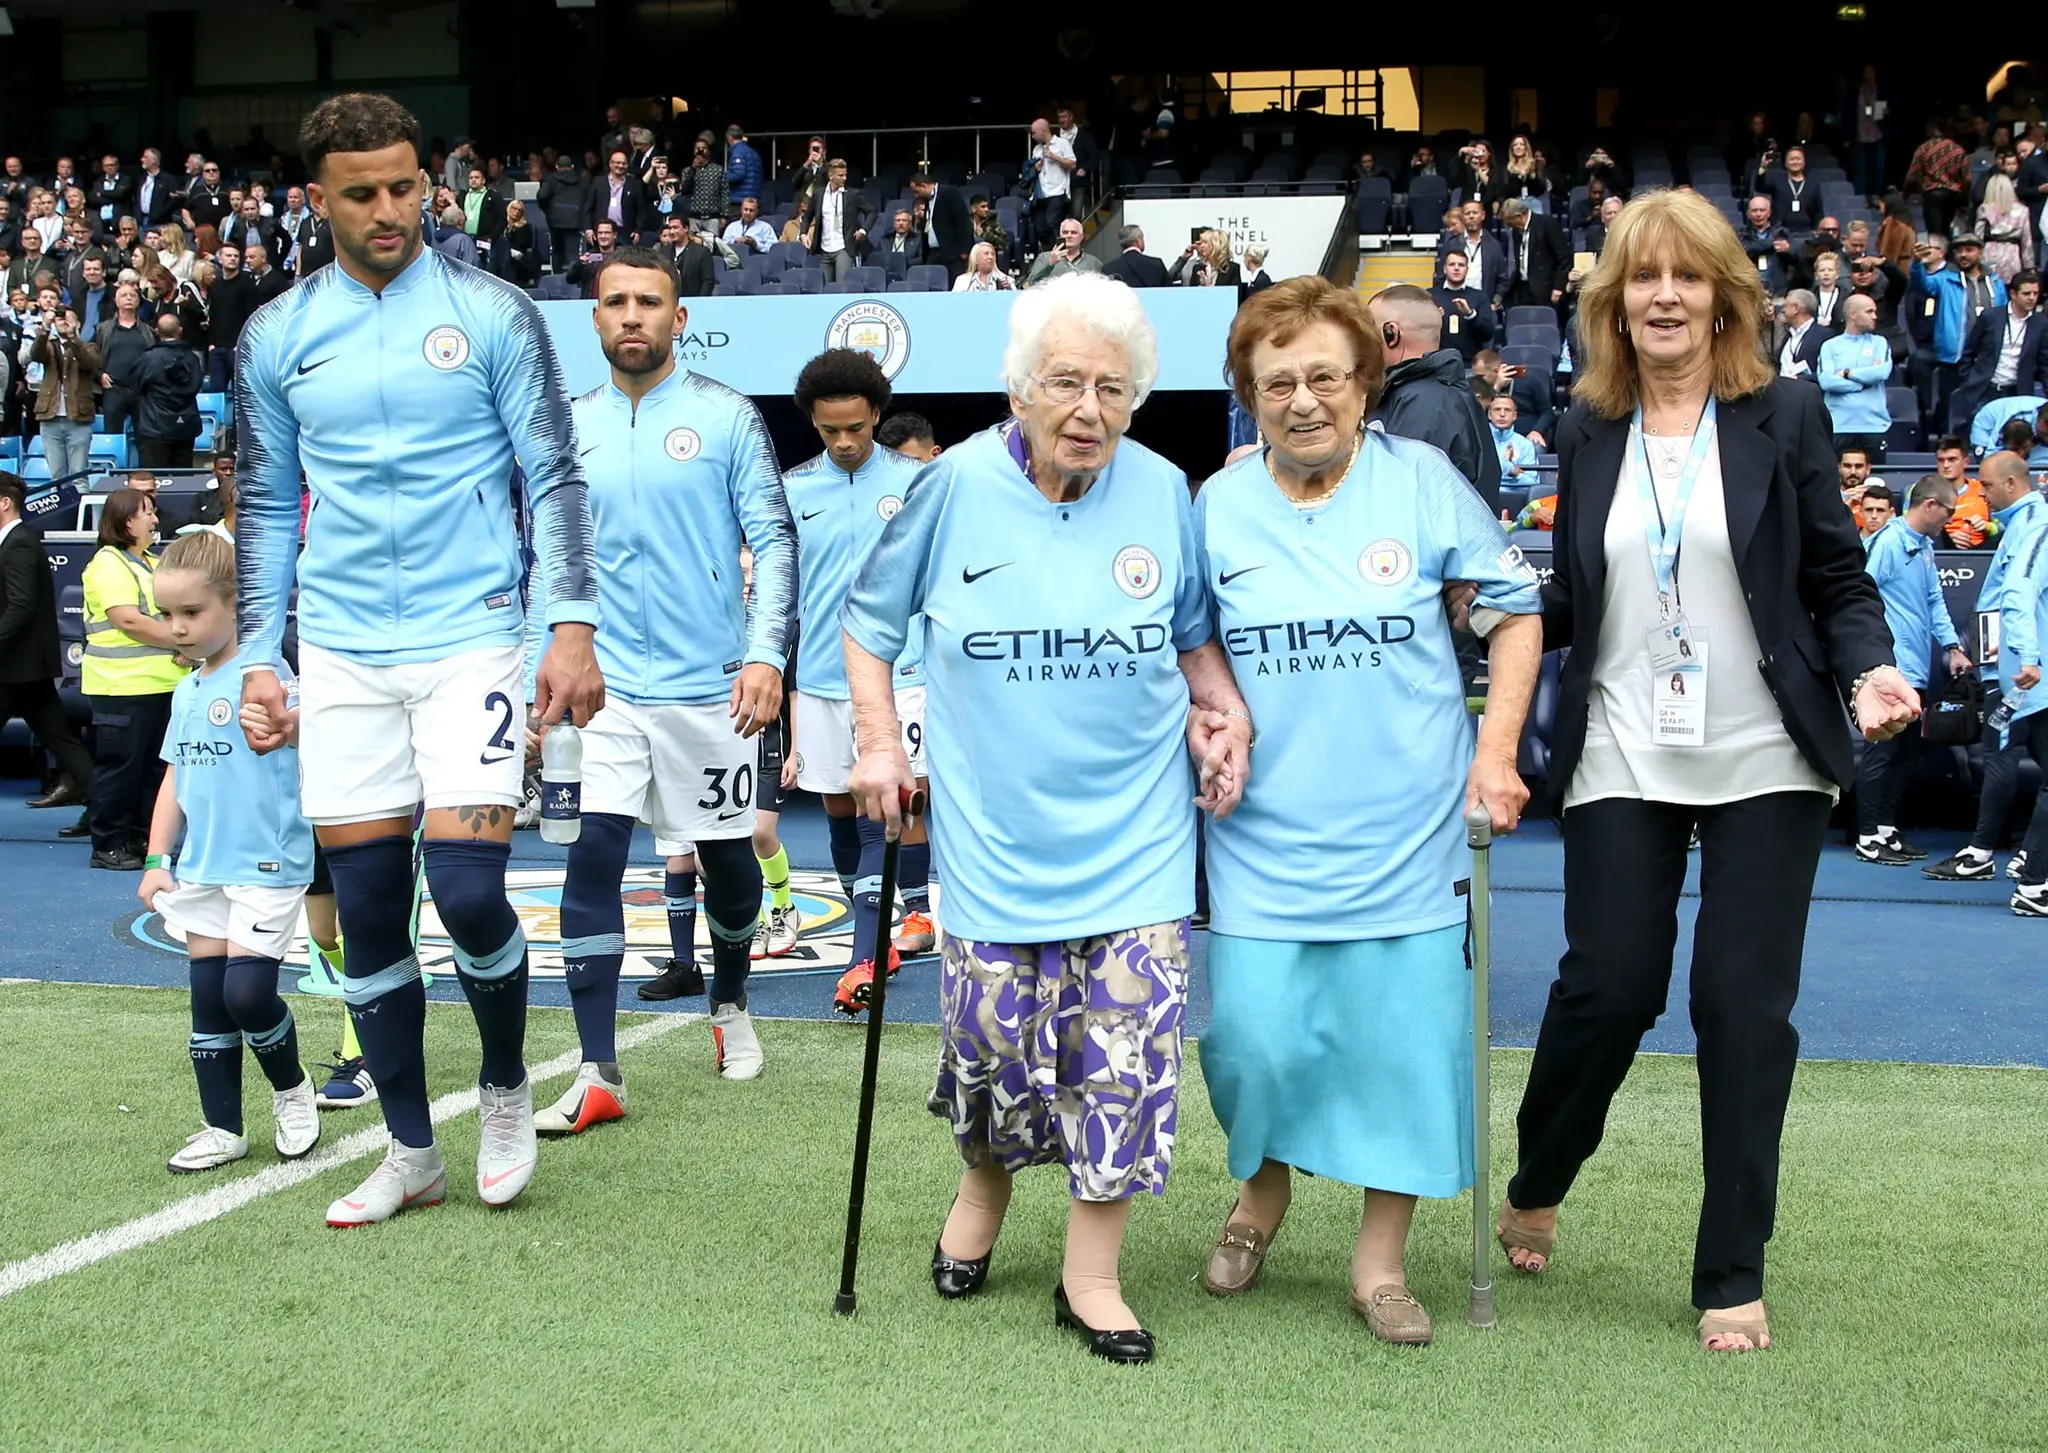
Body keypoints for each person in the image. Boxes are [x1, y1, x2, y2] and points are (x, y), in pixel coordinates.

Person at [1495, 189, 1915, 1354]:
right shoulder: (1583, 430)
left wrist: (1870, 669)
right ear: (1611, 302)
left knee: (1738, 1007)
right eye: (1641, 278)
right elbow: (1573, 596)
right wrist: (1485, 618)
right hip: (1625, 740)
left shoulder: (1781, 413)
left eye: (1686, 277)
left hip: (1763, 752)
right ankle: (1539, 1173)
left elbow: (1834, 578)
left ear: (1724, 298)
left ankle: (1729, 1265)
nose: (1664, 297)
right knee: (1609, 988)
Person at [839, 272, 1252, 1363]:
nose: (1088, 410)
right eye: (1064, 382)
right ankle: (982, 1187)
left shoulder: (1163, 491)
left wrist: (1220, 713)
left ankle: (1092, 1275)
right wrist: (879, 744)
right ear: (1016, 388)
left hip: (1136, 839)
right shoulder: (951, 488)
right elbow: (867, 629)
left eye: (1112, 389)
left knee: (1122, 1058)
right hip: (991, 840)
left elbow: (1191, 635)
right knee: (988, 1054)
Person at [233, 93, 604, 1226]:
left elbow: (552, 476)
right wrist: (260, 652)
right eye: (362, 193)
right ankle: (408, 1149)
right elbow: (261, 505)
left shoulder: (493, 312)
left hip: (471, 640)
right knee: (372, 905)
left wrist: (569, 621)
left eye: (404, 187)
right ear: (318, 200)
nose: (389, 209)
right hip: (341, 652)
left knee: (468, 889)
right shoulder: (275, 334)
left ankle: (499, 1086)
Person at [1194, 276, 1541, 1345]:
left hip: (1409, 834)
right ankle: (1261, 1193)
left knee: (1400, 1052)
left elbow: (1514, 612)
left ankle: (1378, 1261)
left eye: (1324, 378)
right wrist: (1217, 708)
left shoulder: (1422, 482)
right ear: (1249, 394)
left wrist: (1494, 756)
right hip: (1260, 834)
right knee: (1254, 1043)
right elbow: (1188, 632)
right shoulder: (1216, 503)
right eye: (1276, 382)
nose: (1303, 401)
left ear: (1364, 383)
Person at [522, 247, 794, 1119]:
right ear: (594, 319)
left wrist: (766, 655)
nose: (632, 315)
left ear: (680, 320)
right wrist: (543, 662)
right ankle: (599, 1069)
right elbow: (545, 557)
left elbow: (777, 541)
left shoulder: (727, 417)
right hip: (598, 688)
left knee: (726, 862)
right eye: (616, 302)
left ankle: (731, 1005)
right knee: (590, 857)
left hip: (707, 687)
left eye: (650, 302)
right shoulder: (564, 427)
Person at [135, 531, 321, 1173]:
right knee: (208, 1001)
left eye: (192, 613)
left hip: (267, 863)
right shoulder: (186, 691)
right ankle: (222, 1128)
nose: (177, 628)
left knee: (247, 994)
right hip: (203, 868)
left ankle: (292, 1089)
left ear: (236, 607)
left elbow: (307, 737)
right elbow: (175, 780)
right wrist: (158, 860)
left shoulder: (266, 676)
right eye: (167, 615)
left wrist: (289, 729)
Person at [779, 350, 932, 1011]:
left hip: (903, 674)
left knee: (888, 809)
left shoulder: (921, 481)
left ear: (877, 415)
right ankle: (878, 930)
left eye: (855, 428)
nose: (843, 442)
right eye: (828, 430)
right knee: (842, 812)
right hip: (818, 676)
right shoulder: (790, 488)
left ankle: (870, 950)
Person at [1855, 475, 1969, 864]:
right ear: (1930, 506)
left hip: (1916, 667)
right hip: (1892, 666)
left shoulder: (1923, 548)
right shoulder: (1888, 542)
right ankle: (1868, 835)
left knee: (1906, 752)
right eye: (1949, 512)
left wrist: (1953, 646)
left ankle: (1886, 829)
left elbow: (1935, 601)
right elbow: (1861, 592)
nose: (1951, 521)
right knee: (1882, 753)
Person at [82, 487, 189, 870]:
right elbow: (128, 620)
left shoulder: (148, 561)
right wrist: (185, 643)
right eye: (147, 512)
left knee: (153, 771)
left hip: (159, 684)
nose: (155, 519)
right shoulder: (109, 563)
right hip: (121, 686)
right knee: (120, 769)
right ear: (127, 520)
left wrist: (182, 641)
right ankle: (109, 843)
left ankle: (144, 839)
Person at [0, 473, 95, 812]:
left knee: (62, 740)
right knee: (62, 741)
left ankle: (109, 807)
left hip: (15, 667)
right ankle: (104, 805)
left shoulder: (19, 543)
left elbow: (20, 608)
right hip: (24, 669)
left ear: (5, 502)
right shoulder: (15, 541)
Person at [1367, 284, 1497, 506]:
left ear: (1392, 334)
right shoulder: (1431, 394)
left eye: (1368, 329)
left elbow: (1397, 503)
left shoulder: (1422, 403)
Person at [1949, 268, 2048, 433]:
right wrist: (1969, 379)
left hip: (2018, 392)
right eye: (2026, 293)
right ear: (2013, 294)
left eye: (2035, 293)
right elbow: (1968, 353)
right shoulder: (1990, 317)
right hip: (1985, 389)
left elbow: (2045, 363)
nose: (2032, 298)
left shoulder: (2041, 323)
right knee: (1980, 435)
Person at [1817, 294, 1893, 459]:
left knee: (1876, 481)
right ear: (1853, 314)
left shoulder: (1880, 343)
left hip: (1874, 426)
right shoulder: (1830, 346)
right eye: (1869, 311)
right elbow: (1826, 381)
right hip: (1838, 426)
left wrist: (1848, 373)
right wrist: (1863, 383)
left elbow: (1882, 372)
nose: (1875, 316)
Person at [27, 303, 98, 480]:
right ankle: (62, 508)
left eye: (68, 318)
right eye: (59, 318)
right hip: (50, 419)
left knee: (79, 475)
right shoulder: (48, 345)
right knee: (57, 477)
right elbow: (35, 354)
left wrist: (73, 337)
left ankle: (79, 508)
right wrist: (45, 327)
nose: (63, 322)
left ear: (78, 323)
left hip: (78, 419)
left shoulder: (89, 347)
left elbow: (88, 363)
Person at [132, 313, 206, 469]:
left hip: (155, 426)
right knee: (183, 481)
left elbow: (134, 386)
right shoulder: (192, 358)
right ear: (179, 330)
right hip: (185, 425)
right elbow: (197, 386)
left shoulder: (148, 359)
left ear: (157, 331)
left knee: (155, 480)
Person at [1026, 218, 1100, 287]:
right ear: (1060, 236)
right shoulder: (1044, 257)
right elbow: (1030, 284)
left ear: (1081, 237)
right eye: (1065, 232)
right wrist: (1050, 264)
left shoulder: (1094, 262)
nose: (1069, 235)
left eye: (1074, 232)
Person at [1487, 390, 1538, 486]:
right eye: (1497, 409)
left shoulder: (1525, 445)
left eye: (1507, 410)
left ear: (1514, 416)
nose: (1502, 414)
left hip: (1516, 498)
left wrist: (1515, 473)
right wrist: (1507, 466)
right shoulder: (1479, 441)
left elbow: (1533, 482)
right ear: (1489, 415)